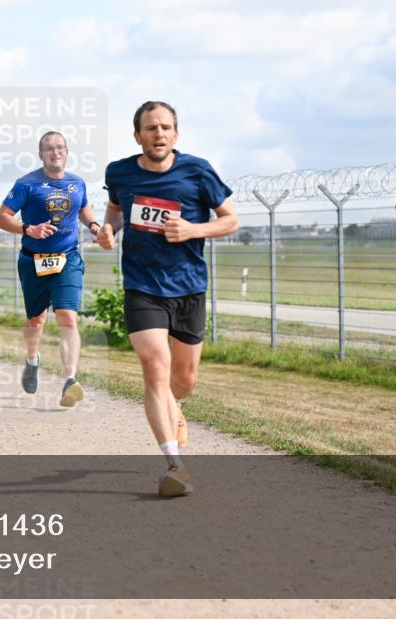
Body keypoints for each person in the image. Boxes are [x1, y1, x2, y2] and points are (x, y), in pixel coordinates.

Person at [97, 100, 238, 497]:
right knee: (154, 365)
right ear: (137, 135)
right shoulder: (119, 172)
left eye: (165, 127)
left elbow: (231, 220)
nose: (158, 134)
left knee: (184, 381)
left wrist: (193, 230)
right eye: (150, 128)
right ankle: (176, 466)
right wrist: (109, 230)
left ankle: (175, 408)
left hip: (189, 287)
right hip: (142, 286)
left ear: (175, 134)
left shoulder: (197, 170)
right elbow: (115, 210)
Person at [0, 131, 100, 407]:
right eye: (49, 149)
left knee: (67, 316)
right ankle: (32, 359)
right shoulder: (26, 184)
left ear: (67, 152)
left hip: (68, 259)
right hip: (33, 261)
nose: (55, 152)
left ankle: (69, 381)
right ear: (41, 155)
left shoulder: (77, 183)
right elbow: (1, 218)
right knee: (36, 321)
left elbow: (84, 209)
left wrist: (94, 226)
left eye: (60, 147)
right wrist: (29, 228)